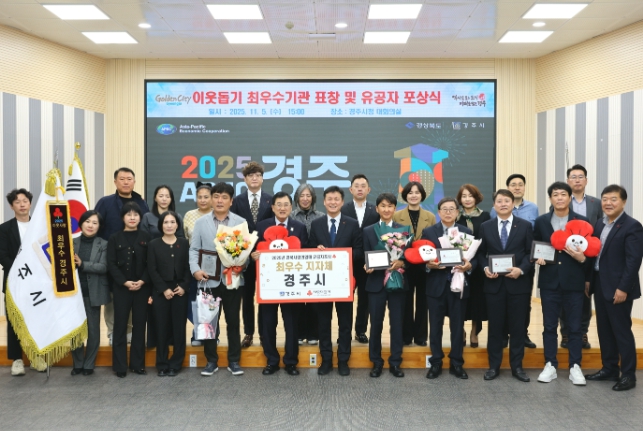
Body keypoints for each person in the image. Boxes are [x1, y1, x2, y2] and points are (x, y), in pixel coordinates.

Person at [585, 185, 643, 391]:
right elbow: (594, 255)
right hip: (600, 284)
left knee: (621, 331)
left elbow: (633, 261)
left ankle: (628, 375)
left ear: (623, 202)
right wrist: (589, 280)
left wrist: (623, 288)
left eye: (613, 199)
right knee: (604, 329)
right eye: (605, 199)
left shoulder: (632, 226)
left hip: (619, 288)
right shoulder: (599, 224)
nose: (608, 203)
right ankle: (609, 368)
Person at [533, 182, 589, 386]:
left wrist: (583, 260)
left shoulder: (582, 221)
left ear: (569, 197)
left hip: (574, 282)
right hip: (549, 281)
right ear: (550, 198)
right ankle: (550, 364)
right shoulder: (541, 221)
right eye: (555, 194)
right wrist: (536, 257)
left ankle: (575, 366)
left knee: (574, 327)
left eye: (563, 194)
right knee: (549, 326)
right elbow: (535, 246)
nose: (559, 198)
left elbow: (590, 252)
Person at [190, 183, 247, 377]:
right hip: (207, 280)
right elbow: (194, 249)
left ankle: (234, 361)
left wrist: (242, 264)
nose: (219, 200)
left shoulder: (240, 222)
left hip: (232, 280)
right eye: (216, 196)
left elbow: (245, 251)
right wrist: (196, 270)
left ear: (231, 201)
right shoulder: (201, 222)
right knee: (208, 323)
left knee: (233, 322)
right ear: (211, 199)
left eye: (224, 197)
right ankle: (211, 361)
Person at [477, 189, 534, 382]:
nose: (503, 204)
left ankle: (517, 367)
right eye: (499, 201)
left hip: (518, 285)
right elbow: (480, 253)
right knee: (495, 328)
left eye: (506, 201)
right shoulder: (485, 226)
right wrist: (485, 268)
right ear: (494, 205)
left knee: (518, 328)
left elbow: (530, 253)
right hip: (493, 286)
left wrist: (521, 269)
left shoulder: (525, 225)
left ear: (512, 204)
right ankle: (494, 366)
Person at [309, 186, 363, 376]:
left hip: (344, 282)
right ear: (324, 202)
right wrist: (316, 250)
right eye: (329, 199)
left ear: (342, 202)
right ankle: (326, 359)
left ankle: (343, 360)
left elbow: (359, 251)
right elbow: (309, 249)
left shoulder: (352, 224)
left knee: (345, 323)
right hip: (323, 282)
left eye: (336, 199)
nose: (333, 202)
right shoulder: (316, 224)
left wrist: (341, 255)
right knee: (323, 322)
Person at [252, 192, 308, 376]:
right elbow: (253, 250)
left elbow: (306, 253)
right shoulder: (261, 226)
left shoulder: (299, 227)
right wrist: (254, 256)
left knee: (291, 324)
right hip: (268, 285)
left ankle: (291, 361)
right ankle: (272, 360)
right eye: (279, 204)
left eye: (286, 205)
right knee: (268, 323)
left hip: (292, 285)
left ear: (291, 207)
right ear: (273, 207)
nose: (282, 208)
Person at [96, 168, 150, 346]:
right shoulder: (105, 202)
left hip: (137, 258)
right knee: (113, 296)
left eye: (129, 179)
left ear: (134, 181)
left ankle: (130, 331)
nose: (126, 182)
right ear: (115, 182)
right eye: (122, 179)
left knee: (135, 295)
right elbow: (96, 226)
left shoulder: (141, 203)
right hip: (112, 257)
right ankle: (113, 331)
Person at [423, 198, 475, 380]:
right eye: (444, 209)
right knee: (435, 326)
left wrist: (469, 266)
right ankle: (436, 362)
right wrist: (428, 265)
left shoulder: (466, 232)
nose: (448, 212)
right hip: (436, 286)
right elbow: (422, 257)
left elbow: (474, 258)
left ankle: (456, 363)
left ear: (457, 212)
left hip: (458, 284)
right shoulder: (429, 232)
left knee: (457, 326)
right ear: (438, 212)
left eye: (451, 209)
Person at [490, 173, 538, 348]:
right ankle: (503, 335)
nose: (517, 187)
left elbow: (533, 239)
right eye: (513, 184)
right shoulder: (495, 212)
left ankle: (522, 334)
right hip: (498, 268)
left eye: (520, 184)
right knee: (500, 304)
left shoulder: (533, 208)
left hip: (523, 265)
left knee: (523, 304)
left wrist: (524, 266)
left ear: (524, 187)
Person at [0, 188, 45, 375]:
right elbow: (3, 255)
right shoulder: (4, 229)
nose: (22, 204)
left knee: (36, 320)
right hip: (14, 283)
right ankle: (17, 360)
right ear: (12, 206)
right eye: (17, 202)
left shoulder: (40, 227)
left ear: (30, 203)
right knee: (14, 322)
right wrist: (20, 271)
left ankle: (36, 356)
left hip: (37, 282)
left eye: (25, 201)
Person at [230, 161, 274, 348]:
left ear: (262, 178)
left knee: (264, 296)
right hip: (245, 257)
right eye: (251, 175)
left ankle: (264, 334)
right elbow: (233, 229)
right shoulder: (237, 201)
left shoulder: (271, 200)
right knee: (246, 297)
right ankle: (249, 333)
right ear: (245, 179)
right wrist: (242, 255)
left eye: (258, 175)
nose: (254, 178)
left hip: (266, 257)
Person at [364, 193, 407, 378]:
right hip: (375, 283)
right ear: (377, 209)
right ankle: (376, 362)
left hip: (397, 283)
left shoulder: (403, 230)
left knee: (397, 324)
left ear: (395, 208)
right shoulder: (368, 230)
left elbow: (408, 256)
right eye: (383, 206)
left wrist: (402, 262)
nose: (386, 209)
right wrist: (367, 266)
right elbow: (365, 254)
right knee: (375, 324)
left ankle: (395, 362)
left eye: (390, 206)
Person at [560, 164, 603, 349]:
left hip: (588, 256)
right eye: (573, 177)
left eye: (580, 177)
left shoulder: (596, 203)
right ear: (568, 180)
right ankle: (565, 333)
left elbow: (599, 228)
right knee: (564, 295)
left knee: (585, 294)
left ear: (586, 180)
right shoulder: (561, 201)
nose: (577, 180)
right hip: (566, 255)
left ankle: (582, 332)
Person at [106, 202, 151, 378]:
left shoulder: (146, 237)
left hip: (142, 288)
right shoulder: (114, 238)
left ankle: (137, 365)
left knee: (139, 326)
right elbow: (111, 264)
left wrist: (142, 281)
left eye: (135, 215)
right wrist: (124, 282)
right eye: (128, 215)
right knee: (120, 326)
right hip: (121, 288)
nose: (132, 218)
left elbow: (151, 263)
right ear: (122, 217)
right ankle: (120, 366)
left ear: (140, 218)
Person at [147, 211, 191, 377]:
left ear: (177, 225)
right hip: (161, 291)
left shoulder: (184, 243)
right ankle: (162, 364)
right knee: (161, 328)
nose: (169, 225)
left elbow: (188, 267)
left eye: (172, 222)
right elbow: (152, 269)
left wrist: (184, 286)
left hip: (180, 290)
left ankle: (176, 364)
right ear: (161, 225)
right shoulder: (154, 244)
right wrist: (163, 289)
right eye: (166, 222)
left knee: (179, 329)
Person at [393, 181, 436, 347]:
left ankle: (421, 336)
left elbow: (433, 241)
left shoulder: (430, 217)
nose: (414, 195)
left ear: (422, 195)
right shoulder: (397, 216)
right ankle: (406, 336)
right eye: (410, 192)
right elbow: (393, 241)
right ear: (405, 196)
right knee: (405, 300)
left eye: (417, 192)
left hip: (424, 265)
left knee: (423, 301)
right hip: (405, 264)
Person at [71, 211, 110, 376]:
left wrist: (82, 264)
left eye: (95, 223)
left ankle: (89, 364)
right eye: (88, 221)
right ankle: (77, 363)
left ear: (99, 226)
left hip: (93, 292)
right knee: (75, 330)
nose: (90, 225)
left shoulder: (104, 244)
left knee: (93, 330)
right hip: (73, 294)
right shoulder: (71, 242)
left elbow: (104, 267)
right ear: (81, 223)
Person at [455, 184, 490, 348]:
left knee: (477, 299)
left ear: (476, 198)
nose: (467, 199)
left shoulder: (485, 216)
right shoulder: (455, 216)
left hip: (478, 263)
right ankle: (460, 330)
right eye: (464, 196)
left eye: (470, 196)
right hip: (459, 264)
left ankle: (475, 331)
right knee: (460, 298)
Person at [290, 183, 324, 345]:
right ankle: (298, 334)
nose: (305, 199)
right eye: (302, 195)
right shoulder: (290, 216)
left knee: (314, 301)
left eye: (308, 195)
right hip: (295, 265)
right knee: (296, 301)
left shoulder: (321, 216)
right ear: (297, 198)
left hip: (315, 265)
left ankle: (313, 334)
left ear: (313, 198)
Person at [183, 182, 214, 347]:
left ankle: (210, 335)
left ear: (212, 198)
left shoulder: (217, 215)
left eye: (206, 197)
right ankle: (198, 332)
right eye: (199, 197)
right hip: (193, 263)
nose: (202, 200)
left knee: (209, 300)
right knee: (193, 300)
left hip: (213, 265)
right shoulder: (189, 215)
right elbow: (184, 239)